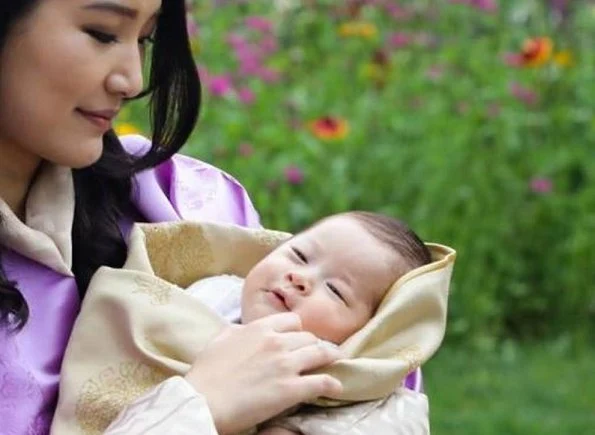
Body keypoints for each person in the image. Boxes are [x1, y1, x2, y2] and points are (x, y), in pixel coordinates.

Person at [0, 1, 428, 434]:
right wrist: (199, 409)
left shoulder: (189, 200)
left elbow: (388, 366)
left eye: (146, 39)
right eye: (103, 33)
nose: (131, 80)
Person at [52, 212, 456, 434]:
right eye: (298, 255)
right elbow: (137, 322)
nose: (301, 277)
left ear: (365, 339)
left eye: (336, 291)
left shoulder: (345, 387)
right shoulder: (209, 291)